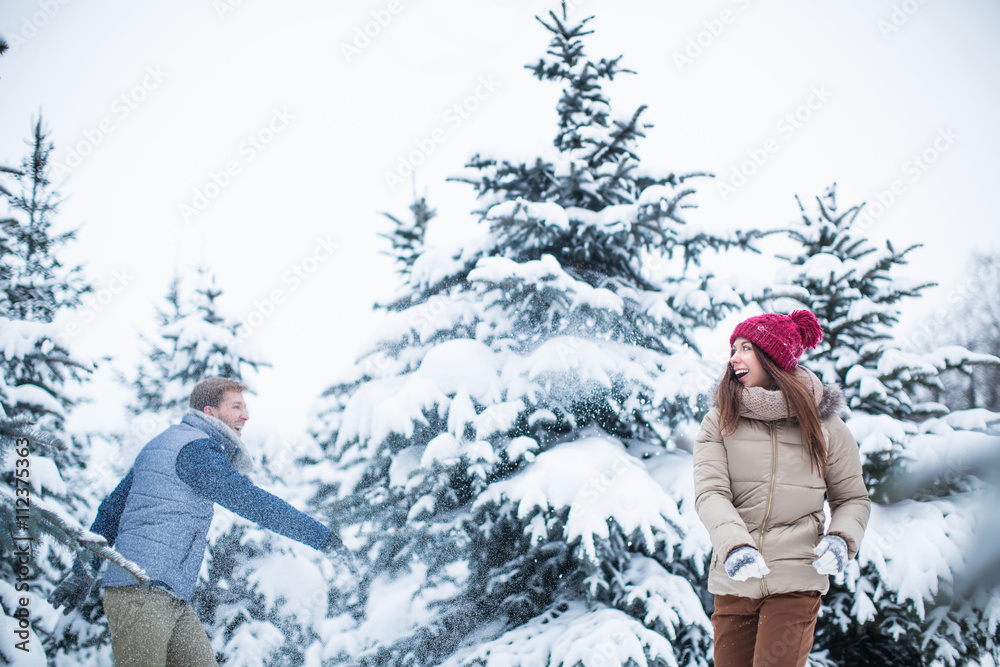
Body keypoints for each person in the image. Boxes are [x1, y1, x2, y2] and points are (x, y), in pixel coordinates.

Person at [49, 377, 357, 667]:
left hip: (168, 595)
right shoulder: (194, 450)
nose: (245, 415)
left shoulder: (165, 444)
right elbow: (251, 502)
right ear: (209, 412)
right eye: (236, 406)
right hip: (141, 593)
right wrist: (323, 538)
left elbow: (111, 512)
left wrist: (83, 570)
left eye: (245, 407)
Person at [693, 310, 870, 667]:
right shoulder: (720, 420)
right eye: (733, 348)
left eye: (746, 347)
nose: (734, 357)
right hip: (736, 577)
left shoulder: (826, 426)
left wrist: (841, 538)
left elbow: (852, 498)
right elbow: (711, 494)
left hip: (797, 579)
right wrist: (735, 546)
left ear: (773, 358)